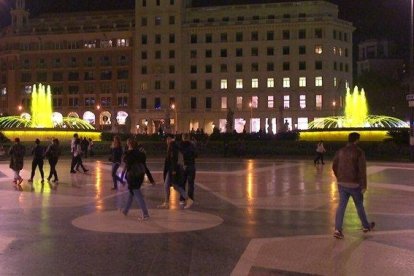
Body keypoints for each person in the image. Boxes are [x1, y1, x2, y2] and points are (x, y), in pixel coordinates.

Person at [332, 132, 375, 239]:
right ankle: (366, 226)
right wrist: (364, 185)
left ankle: (337, 230)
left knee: (341, 206)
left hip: (342, 183)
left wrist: (339, 177)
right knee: (359, 205)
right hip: (354, 184)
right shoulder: (359, 152)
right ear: (357, 140)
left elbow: (334, 166)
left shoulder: (340, 151)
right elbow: (362, 170)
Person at [158, 135, 193, 209]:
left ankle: (188, 199)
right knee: (167, 185)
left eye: (168, 139)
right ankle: (166, 202)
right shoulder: (173, 146)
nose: (167, 141)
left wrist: (173, 171)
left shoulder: (172, 146)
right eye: (167, 139)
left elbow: (173, 159)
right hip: (171, 170)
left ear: (171, 139)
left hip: (172, 170)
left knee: (175, 186)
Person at [120, 138, 149, 221]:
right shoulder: (140, 153)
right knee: (131, 192)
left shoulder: (129, 154)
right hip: (140, 175)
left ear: (129, 144)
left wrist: (122, 176)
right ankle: (125, 210)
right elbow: (144, 163)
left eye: (127, 144)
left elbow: (126, 165)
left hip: (133, 176)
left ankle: (145, 213)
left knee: (137, 193)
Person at [178, 133, 197, 205]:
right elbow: (196, 155)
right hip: (191, 165)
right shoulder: (192, 145)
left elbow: (179, 156)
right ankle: (190, 199)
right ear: (188, 138)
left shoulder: (180, 145)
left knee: (182, 183)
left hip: (183, 166)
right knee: (191, 184)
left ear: (183, 138)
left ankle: (182, 199)